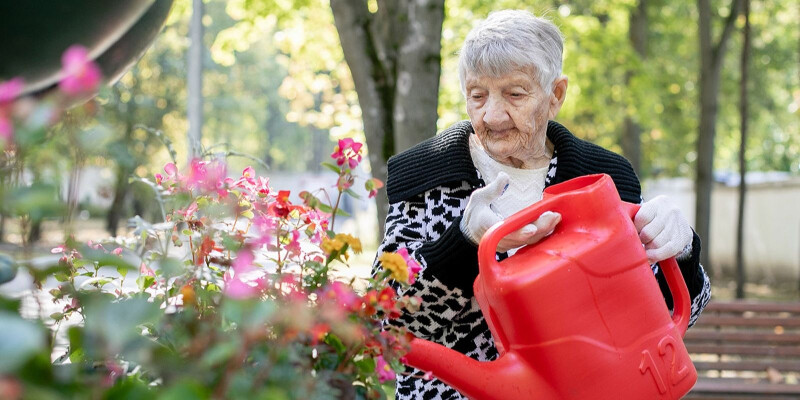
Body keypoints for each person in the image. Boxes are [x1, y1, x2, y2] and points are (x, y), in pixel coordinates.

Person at [373, 10, 711, 400]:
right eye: (477, 96)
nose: (492, 114)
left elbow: (673, 314)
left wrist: (680, 247)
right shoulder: (426, 173)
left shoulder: (602, 177)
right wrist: (465, 242)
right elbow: (390, 317)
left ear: (555, 96)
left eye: (515, 94)